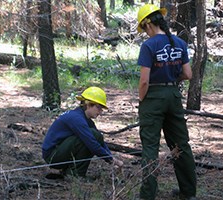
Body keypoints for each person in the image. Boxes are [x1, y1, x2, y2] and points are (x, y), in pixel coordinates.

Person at [136, 4, 197, 200]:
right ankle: (189, 192)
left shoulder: (149, 46)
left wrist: (141, 98)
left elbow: (144, 80)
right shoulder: (179, 43)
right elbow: (188, 74)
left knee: (150, 147)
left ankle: (147, 196)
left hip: (153, 96)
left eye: (144, 29)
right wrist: (171, 80)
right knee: (181, 145)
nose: (145, 34)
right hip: (173, 96)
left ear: (148, 25)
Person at [42, 86, 123, 178]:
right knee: (91, 137)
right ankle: (75, 175)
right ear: (88, 105)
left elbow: (100, 142)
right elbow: (92, 143)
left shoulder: (85, 119)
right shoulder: (76, 118)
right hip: (53, 156)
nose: (100, 112)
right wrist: (111, 160)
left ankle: (69, 172)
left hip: (59, 152)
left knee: (96, 135)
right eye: (98, 107)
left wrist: (112, 159)